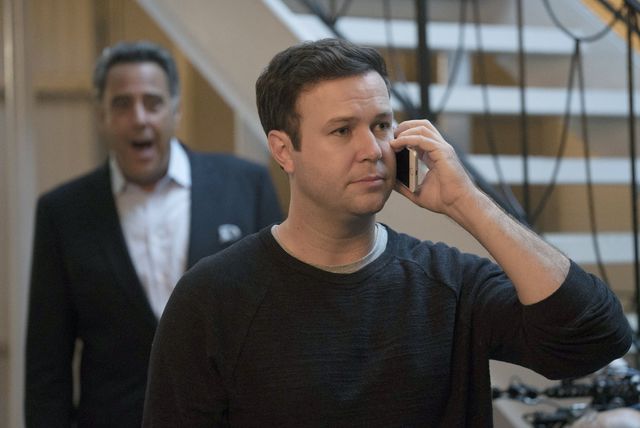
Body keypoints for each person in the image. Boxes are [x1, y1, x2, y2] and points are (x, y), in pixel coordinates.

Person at [142, 38, 633, 427]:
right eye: (342, 130)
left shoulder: (448, 283)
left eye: (381, 125)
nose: (373, 149)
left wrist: (466, 201)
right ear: (284, 150)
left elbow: (597, 336)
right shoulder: (213, 297)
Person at [24, 40, 282, 427]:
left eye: (153, 102)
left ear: (176, 110)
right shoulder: (62, 212)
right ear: (101, 116)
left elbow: (279, 322)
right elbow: (47, 366)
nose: (139, 118)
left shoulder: (246, 186)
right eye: (122, 104)